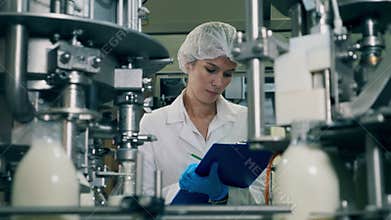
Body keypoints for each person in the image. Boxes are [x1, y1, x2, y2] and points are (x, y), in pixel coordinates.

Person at [139, 21, 266, 204]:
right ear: (189, 63)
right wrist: (182, 189)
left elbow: (259, 197)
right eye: (211, 69)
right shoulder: (153, 124)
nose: (219, 82)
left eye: (228, 74)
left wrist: (223, 195)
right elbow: (143, 200)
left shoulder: (245, 120)